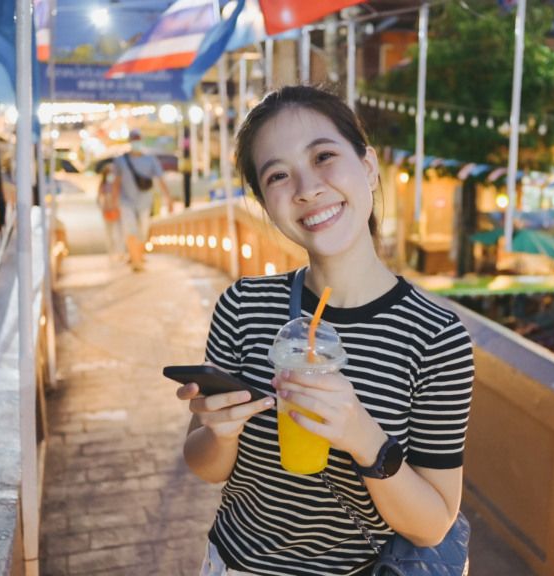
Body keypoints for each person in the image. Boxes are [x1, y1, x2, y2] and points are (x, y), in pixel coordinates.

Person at [176, 85, 474, 576]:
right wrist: (220, 433)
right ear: (265, 204)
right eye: (277, 175)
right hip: (236, 564)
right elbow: (205, 464)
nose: (307, 187)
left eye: (324, 156)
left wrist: (364, 438)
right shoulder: (244, 305)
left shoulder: (435, 337)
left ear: (369, 166)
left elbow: (433, 525)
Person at [112, 130, 175, 270]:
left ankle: (138, 256)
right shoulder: (120, 160)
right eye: (134, 139)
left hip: (145, 202)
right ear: (130, 141)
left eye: (138, 138)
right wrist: (113, 202)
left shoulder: (150, 160)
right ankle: (136, 261)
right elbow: (116, 182)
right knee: (130, 230)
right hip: (126, 201)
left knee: (143, 232)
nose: (136, 141)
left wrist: (169, 199)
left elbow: (161, 179)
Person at [96, 164, 124, 260]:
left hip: (117, 210)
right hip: (107, 211)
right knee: (109, 233)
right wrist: (104, 208)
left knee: (120, 232)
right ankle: (111, 252)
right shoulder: (103, 186)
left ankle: (120, 251)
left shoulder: (117, 185)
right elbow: (99, 199)